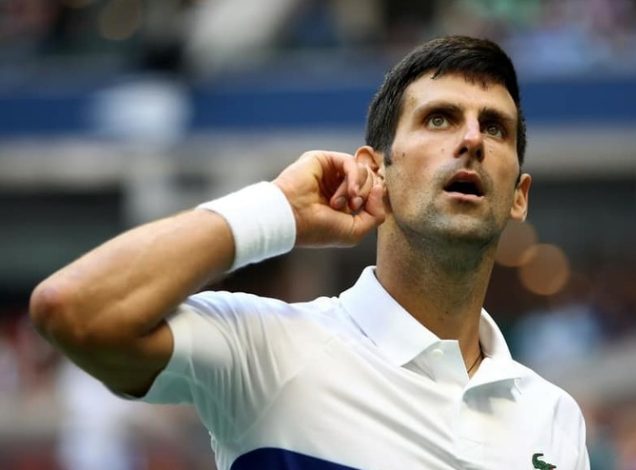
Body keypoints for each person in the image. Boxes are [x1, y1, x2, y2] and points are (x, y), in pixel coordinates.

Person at [29, 36, 589, 469]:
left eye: (495, 127)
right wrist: (276, 210)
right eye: (438, 118)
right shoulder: (268, 347)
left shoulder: (555, 418)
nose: (471, 140)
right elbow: (73, 309)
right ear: (375, 171)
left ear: (519, 197)